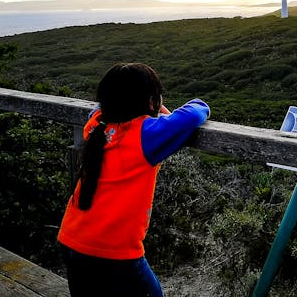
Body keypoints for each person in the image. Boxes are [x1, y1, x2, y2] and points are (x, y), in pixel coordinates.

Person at [57, 62, 210, 296]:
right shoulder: (145, 135)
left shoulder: (97, 123)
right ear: (150, 100)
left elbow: (99, 109)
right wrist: (163, 110)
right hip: (115, 254)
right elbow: (195, 112)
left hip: (70, 240)